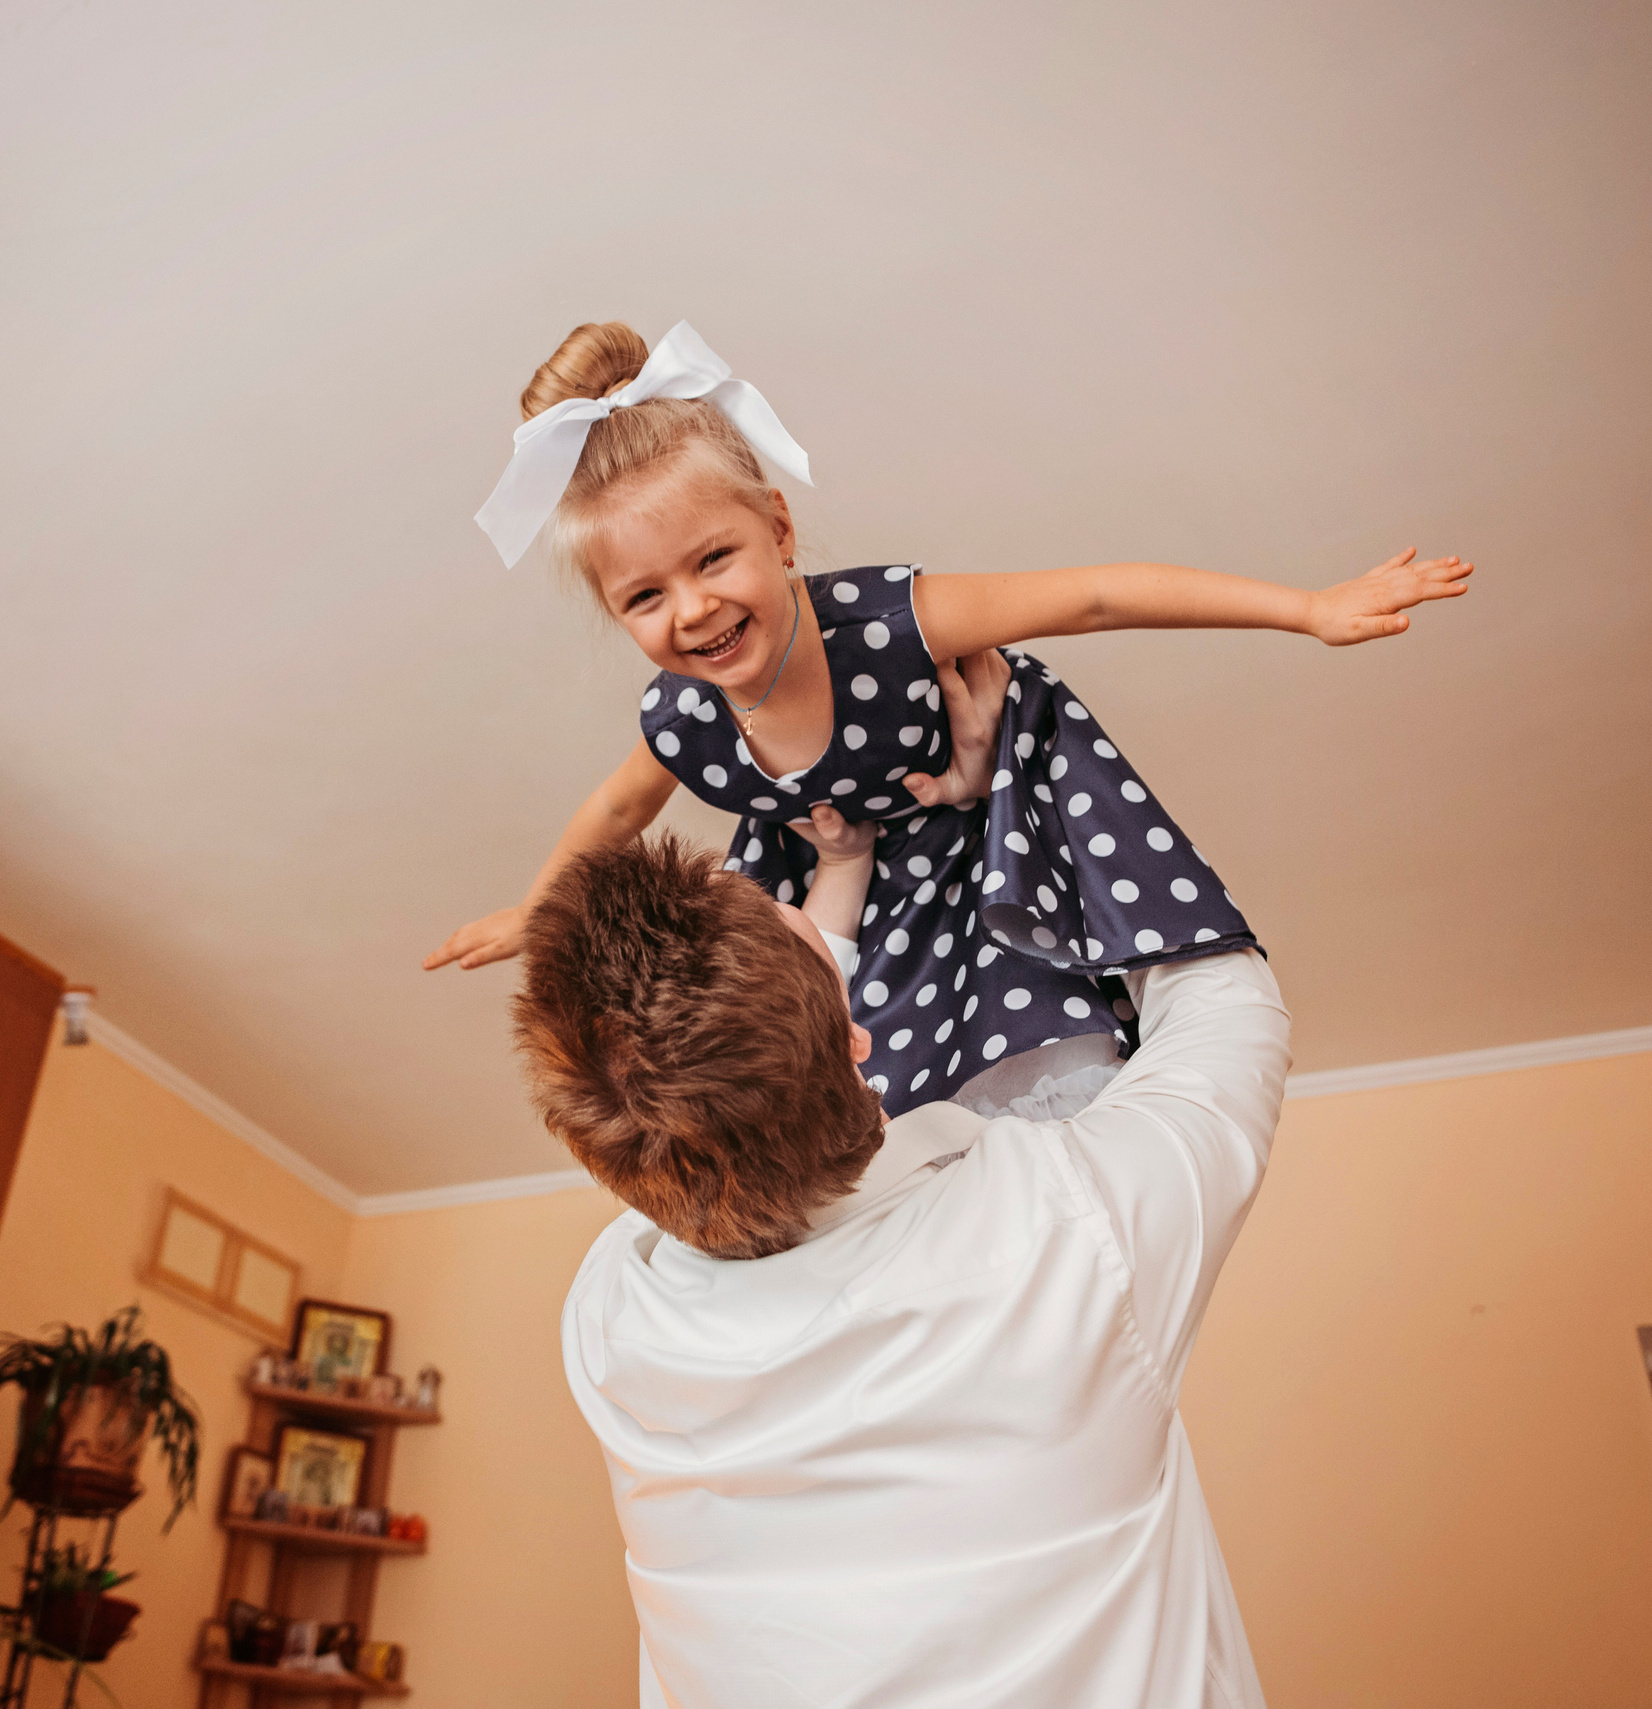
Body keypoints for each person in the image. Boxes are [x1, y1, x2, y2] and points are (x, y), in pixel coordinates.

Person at [428, 320, 1465, 1117]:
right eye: (642, 598)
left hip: (988, 849)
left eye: (713, 559)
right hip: (859, 901)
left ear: (778, 529)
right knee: (842, 1076)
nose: (691, 609)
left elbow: (1096, 596)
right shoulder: (685, 718)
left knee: (1042, 1074)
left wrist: (1307, 608)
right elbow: (615, 810)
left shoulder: (886, 623)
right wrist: (536, 909)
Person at [516, 834, 1295, 1708]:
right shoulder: (1065, 1228)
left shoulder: (611, 1319)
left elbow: (711, 1097)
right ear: (856, 1036)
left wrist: (842, 873)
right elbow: (1229, 1010)